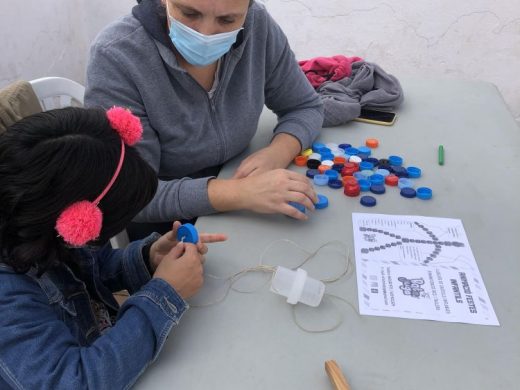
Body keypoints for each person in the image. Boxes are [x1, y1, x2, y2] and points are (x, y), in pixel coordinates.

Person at [0, 107, 226, 388]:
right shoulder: (7, 302)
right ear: (78, 221)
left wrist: (149, 258)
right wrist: (166, 293)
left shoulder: (41, 222)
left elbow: (98, 266)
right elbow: (74, 382)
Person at [85, 0, 324, 238]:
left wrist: (278, 153)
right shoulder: (117, 56)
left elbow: (305, 106)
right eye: (189, 13)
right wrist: (238, 192)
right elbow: (128, 194)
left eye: (227, 20)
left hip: (246, 198)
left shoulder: (257, 24)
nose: (206, 34)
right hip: (166, 229)